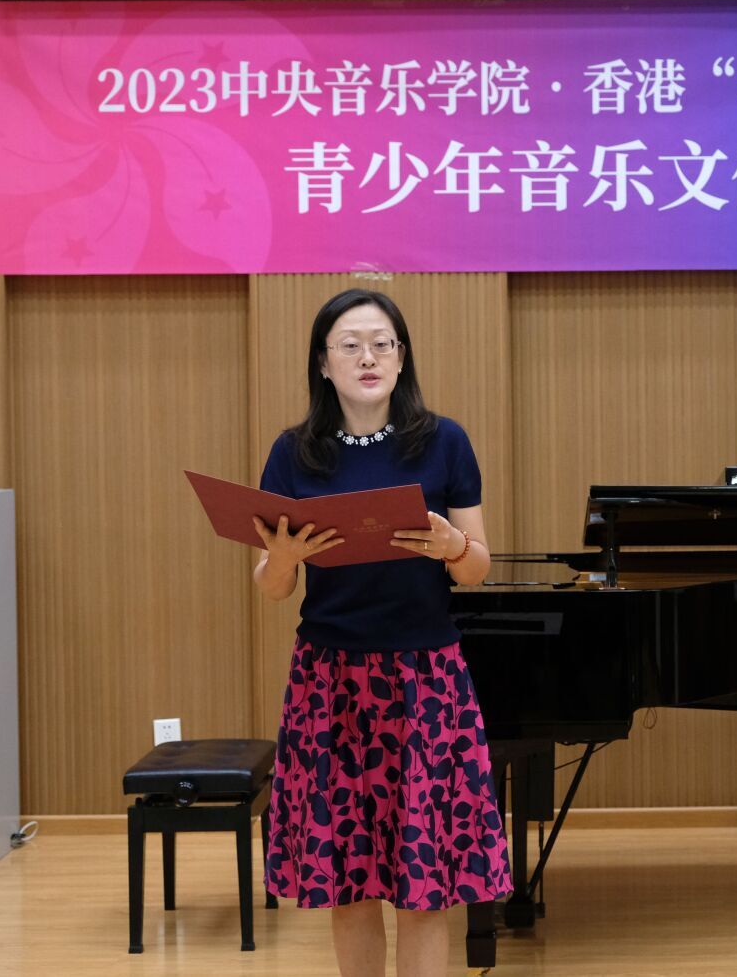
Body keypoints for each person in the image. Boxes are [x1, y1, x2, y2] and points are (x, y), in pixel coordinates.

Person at [251, 288, 512, 977]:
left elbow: (476, 570)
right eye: (350, 345)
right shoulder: (294, 453)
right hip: (329, 681)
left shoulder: (444, 441)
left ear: (401, 358)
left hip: (426, 680)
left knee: (426, 891)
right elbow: (272, 587)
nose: (368, 357)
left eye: (382, 344)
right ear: (323, 362)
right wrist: (284, 558)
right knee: (350, 885)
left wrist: (454, 545)